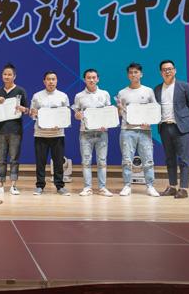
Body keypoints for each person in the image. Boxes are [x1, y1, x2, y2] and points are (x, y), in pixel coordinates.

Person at [154, 60, 189, 199]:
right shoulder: (157, 89)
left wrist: (183, 119)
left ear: (175, 70)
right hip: (164, 127)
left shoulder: (184, 86)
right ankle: (172, 186)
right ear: (161, 72)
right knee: (169, 159)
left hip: (180, 128)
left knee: (184, 159)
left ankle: (183, 188)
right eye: (164, 69)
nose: (167, 71)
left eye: (170, 69)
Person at [116, 62, 160, 197]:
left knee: (148, 160)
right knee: (126, 160)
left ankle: (150, 186)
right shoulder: (122, 93)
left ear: (141, 74)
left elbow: (154, 109)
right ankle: (127, 185)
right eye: (131, 72)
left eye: (136, 72)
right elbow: (119, 114)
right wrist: (118, 108)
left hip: (144, 131)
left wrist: (149, 122)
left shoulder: (148, 91)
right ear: (128, 75)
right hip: (127, 130)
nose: (133, 74)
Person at [0, 63, 28, 195]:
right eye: (5, 74)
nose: (7, 76)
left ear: (14, 76)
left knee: (14, 159)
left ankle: (13, 185)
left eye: (9, 74)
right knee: (1, 159)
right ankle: (0, 184)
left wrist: (22, 109)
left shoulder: (20, 91)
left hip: (15, 130)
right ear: (2, 76)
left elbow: (27, 110)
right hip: (1, 130)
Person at [73, 69, 113, 197]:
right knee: (86, 161)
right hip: (85, 133)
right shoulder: (79, 96)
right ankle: (87, 188)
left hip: (102, 133)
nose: (91, 80)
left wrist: (106, 124)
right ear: (84, 79)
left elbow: (108, 112)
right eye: (88, 77)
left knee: (102, 161)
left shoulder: (105, 94)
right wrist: (78, 115)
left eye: (94, 77)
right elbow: (76, 114)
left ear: (98, 79)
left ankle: (102, 188)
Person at [31, 71, 71, 196]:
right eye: (48, 79)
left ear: (57, 81)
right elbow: (32, 114)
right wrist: (34, 113)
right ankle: (39, 186)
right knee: (40, 162)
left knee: (58, 162)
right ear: (44, 81)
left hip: (57, 134)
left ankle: (60, 186)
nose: (51, 82)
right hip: (40, 134)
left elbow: (66, 115)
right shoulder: (37, 96)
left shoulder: (63, 96)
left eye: (53, 79)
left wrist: (61, 122)